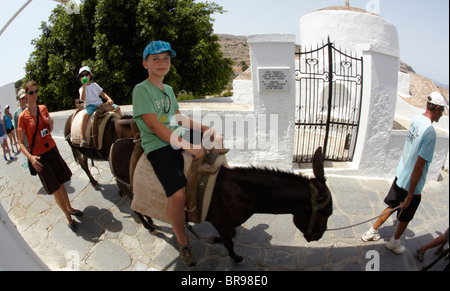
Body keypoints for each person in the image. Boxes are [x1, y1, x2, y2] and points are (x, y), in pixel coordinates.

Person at [133, 40, 224, 266]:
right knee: (178, 195)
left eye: (166, 58)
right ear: (146, 64)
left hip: (176, 134)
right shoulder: (141, 89)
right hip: (159, 145)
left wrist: (204, 129)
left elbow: (178, 118)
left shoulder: (169, 90)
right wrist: (187, 145)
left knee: (218, 152)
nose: (162, 63)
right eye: (156, 59)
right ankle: (183, 243)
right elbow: (155, 126)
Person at [361, 91, 448, 253]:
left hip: (401, 174)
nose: (442, 114)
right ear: (436, 108)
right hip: (411, 185)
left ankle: (371, 231)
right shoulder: (430, 132)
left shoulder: (416, 119)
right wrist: (410, 195)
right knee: (406, 216)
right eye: (442, 110)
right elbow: (418, 166)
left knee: (392, 205)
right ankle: (394, 242)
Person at [17, 80, 83, 232]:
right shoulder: (23, 117)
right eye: (31, 92)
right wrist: (31, 158)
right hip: (39, 157)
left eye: (35, 91)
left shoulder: (43, 109)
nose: (34, 95)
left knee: (61, 182)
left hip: (52, 150)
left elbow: (48, 130)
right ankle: (68, 216)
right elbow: (20, 143)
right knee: (54, 188)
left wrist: (51, 125)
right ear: (26, 95)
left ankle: (70, 208)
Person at [77, 66, 122, 147]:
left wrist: (109, 99)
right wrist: (84, 86)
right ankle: (82, 137)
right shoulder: (81, 89)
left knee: (117, 108)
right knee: (84, 115)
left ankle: (121, 127)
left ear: (90, 76)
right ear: (80, 78)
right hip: (90, 106)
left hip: (100, 105)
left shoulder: (94, 85)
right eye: (82, 75)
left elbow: (102, 93)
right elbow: (83, 98)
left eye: (86, 74)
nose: (84, 77)